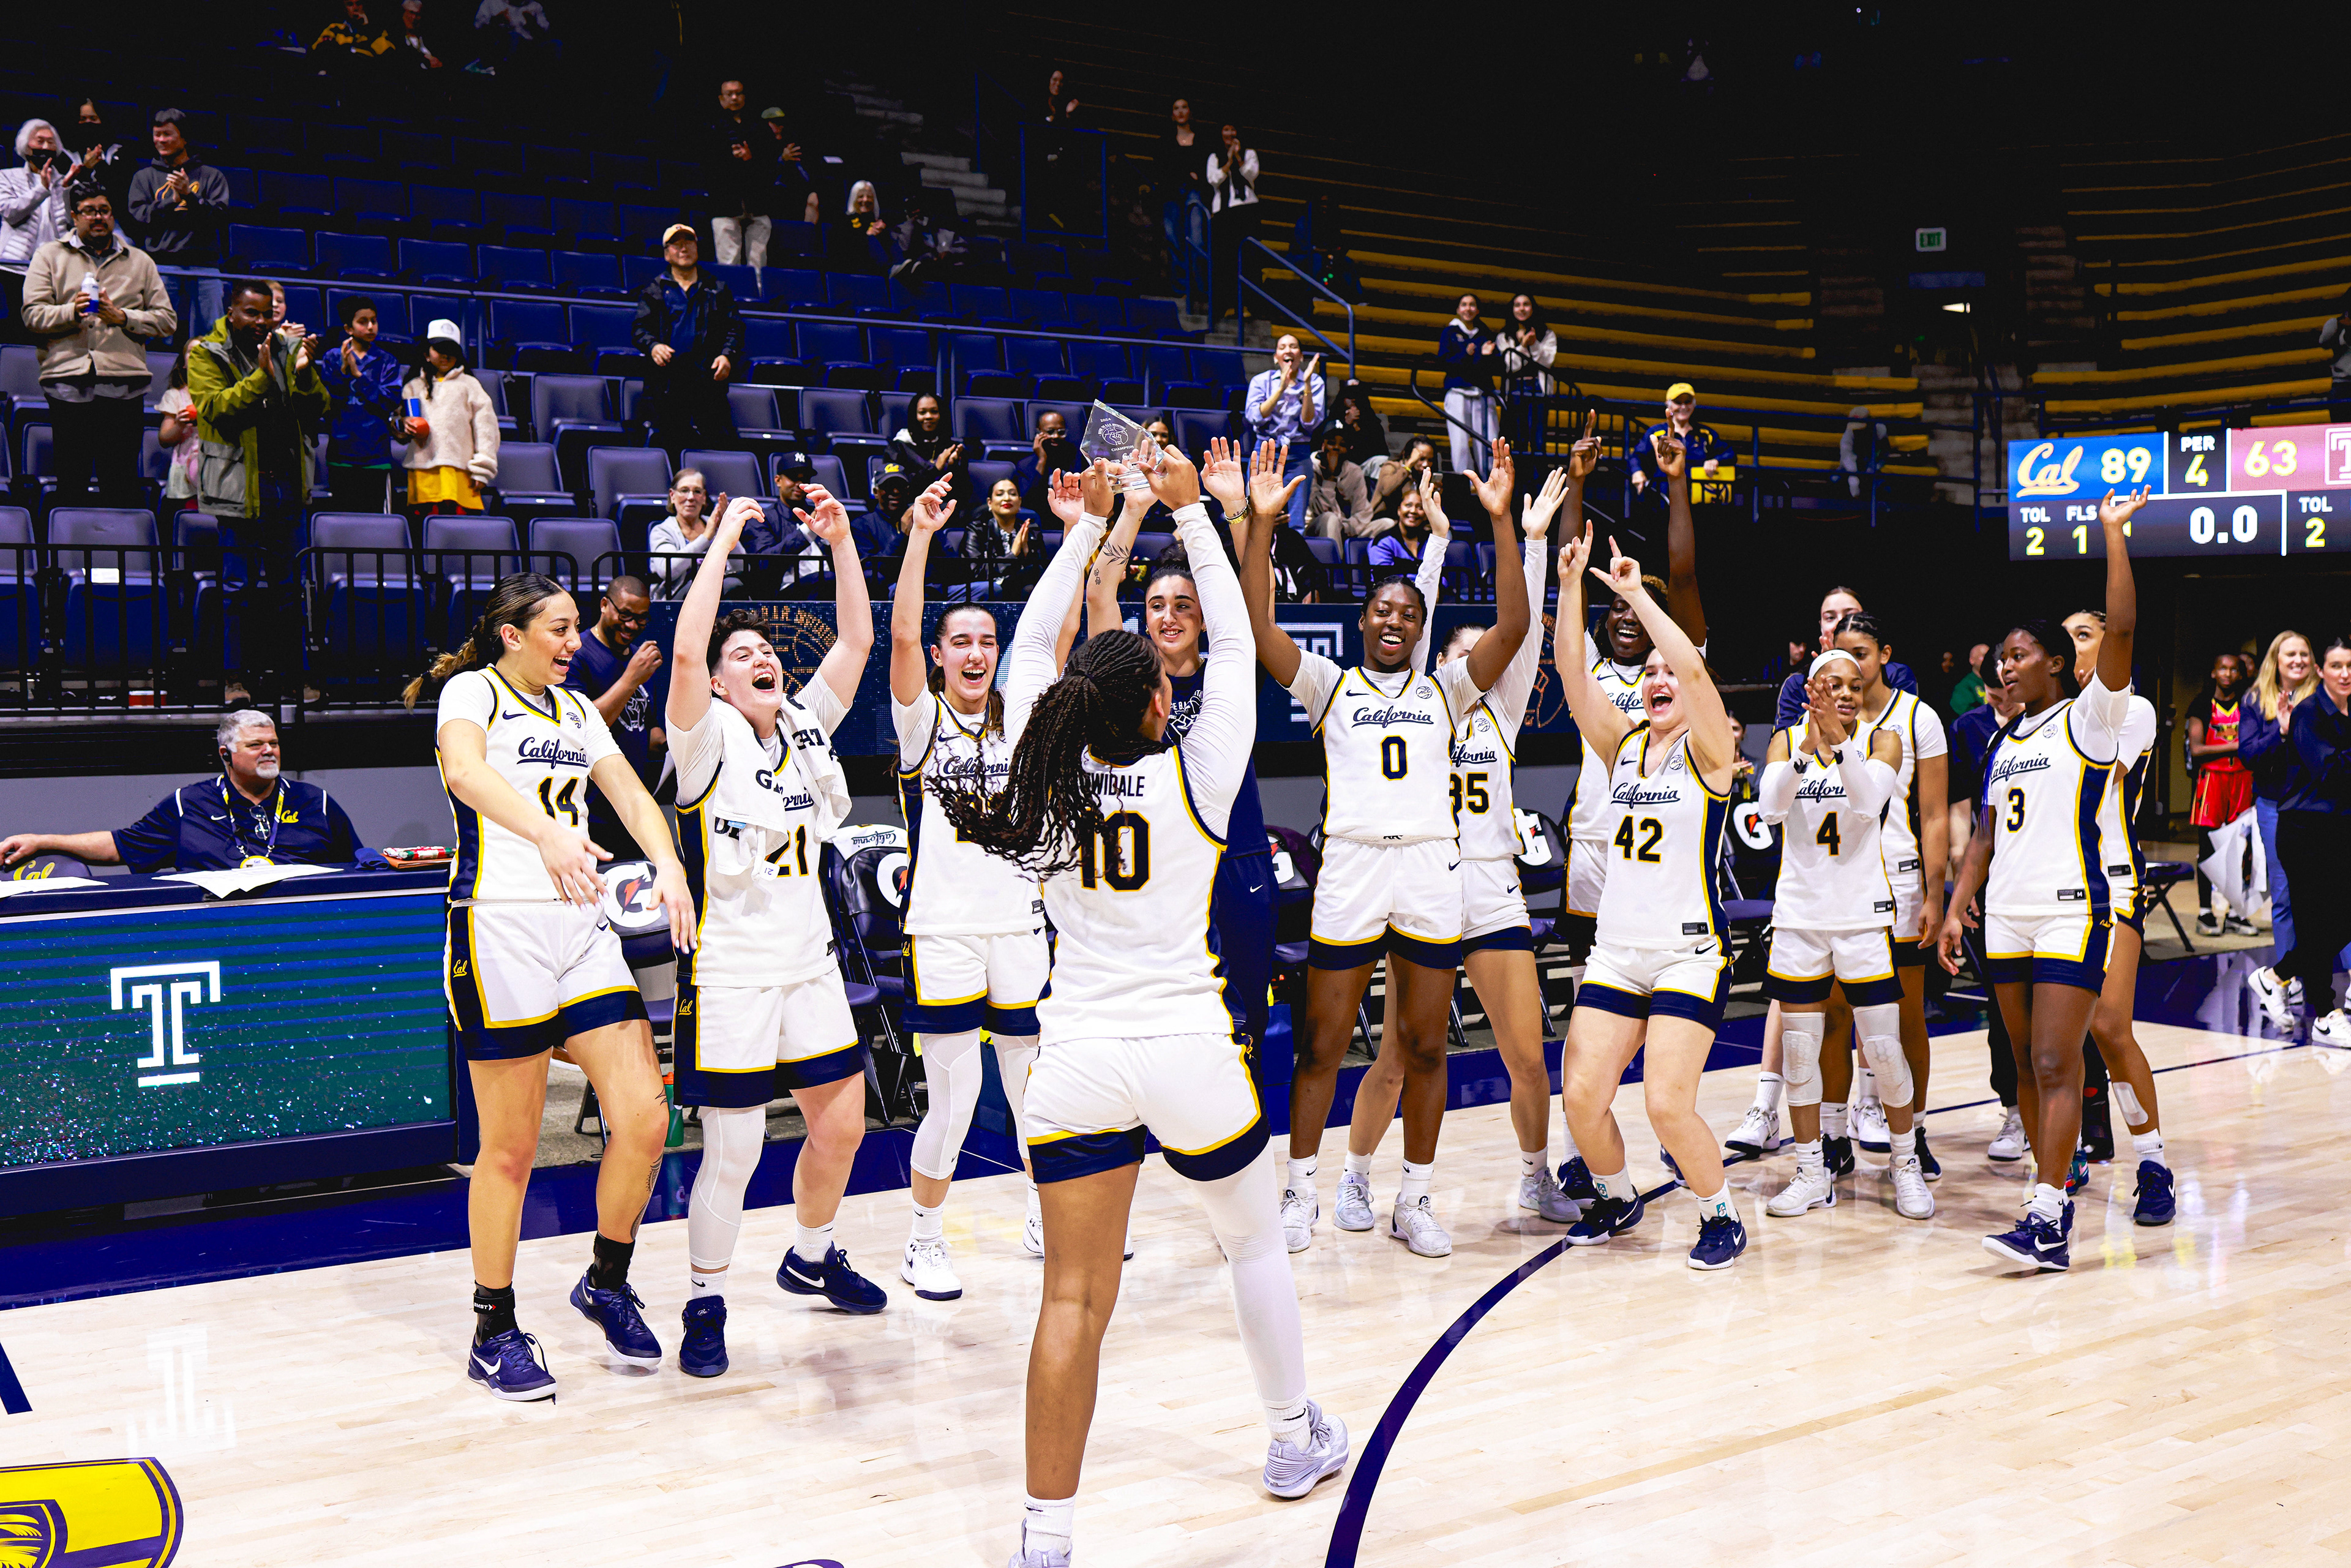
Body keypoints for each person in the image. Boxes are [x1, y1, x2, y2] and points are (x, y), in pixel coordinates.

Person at [932, 438, 1346, 1566]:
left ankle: (1046, 1536)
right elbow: (1236, 641)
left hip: (1075, 1057)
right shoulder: (1198, 770)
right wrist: (1195, 512)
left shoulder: (1047, 769)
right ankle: (1291, 1437)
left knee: (1072, 1299)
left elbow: (1029, 647)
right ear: (1163, 701)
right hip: (1187, 1046)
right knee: (1252, 1247)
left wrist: (1083, 527)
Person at [405, 574, 693, 1399]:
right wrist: (545, 834)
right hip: (499, 926)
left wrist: (670, 865)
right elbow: (466, 774)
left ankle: (606, 1278)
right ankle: (493, 1327)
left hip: (581, 926)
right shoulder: (473, 692)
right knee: (512, 1148)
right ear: (513, 634)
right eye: (560, 629)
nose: (575, 643)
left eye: (575, 629)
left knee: (647, 1116)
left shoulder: (574, 710)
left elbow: (629, 791)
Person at [1252, 437, 1529, 1259]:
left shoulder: (1449, 689)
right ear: (1363, 619)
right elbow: (1258, 626)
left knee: (1427, 1044)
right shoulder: (1329, 683)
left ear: (1418, 626)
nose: (1395, 621)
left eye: (1409, 614)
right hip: (1353, 866)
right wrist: (1260, 525)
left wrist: (1501, 520)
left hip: (1430, 868)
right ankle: (1300, 1190)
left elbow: (1515, 626)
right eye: (1383, 610)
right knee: (1323, 1045)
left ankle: (1414, 1198)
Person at [667, 489, 886, 1377]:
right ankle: (704, 1301)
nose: (761, 657)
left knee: (844, 1124)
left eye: (767, 651)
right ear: (720, 683)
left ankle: (811, 1255)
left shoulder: (802, 723)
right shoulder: (702, 736)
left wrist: (841, 542)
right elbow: (687, 647)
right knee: (737, 1149)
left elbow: (858, 642)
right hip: (734, 970)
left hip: (809, 964)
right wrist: (721, 539)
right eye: (742, 654)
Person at [1345, 459, 1585, 1231]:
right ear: (1442, 658)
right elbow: (1416, 626)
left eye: (1490, 654)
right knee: (1396, 1056)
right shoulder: (1420, 699)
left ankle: (1534, 1176)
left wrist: (1533, 540)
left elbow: (1525, 629)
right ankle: (1355, 1178)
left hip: (1490, 886)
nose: (1483, 662)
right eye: (1466, 651)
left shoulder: (1500, 717)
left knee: (1527, 1054)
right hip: (1423, 880)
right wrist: (1443, 542)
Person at [1939, 486, 2150, 1275]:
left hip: (2072, 911)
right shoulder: (2003, 740)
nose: (2005, 664)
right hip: (2006, 916)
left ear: (2056, 662)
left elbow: (2121, 627)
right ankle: (2045, 1190)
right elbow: (1986, 835)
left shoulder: (2090, 717)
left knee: (2060, 1063)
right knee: (2027, 1064)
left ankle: (2051, 1215)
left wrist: (2112, 535)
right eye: (2001, 656)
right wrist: (1958, 908)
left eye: (2020, 653)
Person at [1552, 521, 1747, 1269]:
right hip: (1619, 951)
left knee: (1666, 1101)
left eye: (1671, 671)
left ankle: (1719, 1211)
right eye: (1651, 672)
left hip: (1688, 953)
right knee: (1581, 1095)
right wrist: (1570, 585)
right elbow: (1572, 673)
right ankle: (1616, 1195)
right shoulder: (1624, 745)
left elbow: (1694, 670)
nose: (1661, 678)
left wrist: (1638, 596)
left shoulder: (1711, 752)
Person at [1085, 438, 1279, 1136]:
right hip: (1164, 871)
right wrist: (1133, 510)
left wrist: (1238, 515)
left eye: (1184, 605)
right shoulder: (1123, 683)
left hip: (1239, 864)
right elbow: (1098, 592)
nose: (1168, 615)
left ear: (1203, 617)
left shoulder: (1232, 672)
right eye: (1157, 604)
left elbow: (1248, 604)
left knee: (1244, 1021)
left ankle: (1241, 1141)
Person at [888, 475, 1052, 1297]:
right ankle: (923, 1239)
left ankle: (1043, 1215)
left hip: (1020, 925)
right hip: (945, 930)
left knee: (1033, 1089)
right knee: (954, 1096)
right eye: (961, 641)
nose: (976, 653)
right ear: (942, 654)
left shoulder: (1021, 720)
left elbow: (1057, 634)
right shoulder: (922, 722)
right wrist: (920, 535)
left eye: (988, 640)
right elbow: (900, 636)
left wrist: (1088, 532)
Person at [1730, 605, 1940, 1168]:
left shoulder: (1885, 739)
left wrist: (1841, 742)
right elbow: (1769, 810)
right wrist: (1808, 745)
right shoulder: (1785, 742)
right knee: (1806, 1045)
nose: (1846, 693)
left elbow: (1869, 803)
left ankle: (1905, 1160)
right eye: (1834, 685)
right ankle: (1818, 1157)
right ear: (1812, 690)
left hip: (1863, 914)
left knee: (1884, 1046)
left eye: (1854, 684)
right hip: (1803, 914)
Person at [1556, 424, 1705, 958]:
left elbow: (1683, 577)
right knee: (1589, 977)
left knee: (1655, 967)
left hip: (1665, 837)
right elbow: (1570, 570)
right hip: (1595, 840)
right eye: (1617, 606)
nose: (1626, 616)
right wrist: (1576, 483)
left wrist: (1678, 483)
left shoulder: (1675, 671)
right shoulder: (1590, 668)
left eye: (1638, 608)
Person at [2060, 606, 2176, 1225]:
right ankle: (2067, 1151)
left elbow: (2099, 778)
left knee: (2108, 1025)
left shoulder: (2133, 709)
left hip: (2112, 878)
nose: (2074, 646)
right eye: (2067, 638)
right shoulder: (2047, 716)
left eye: (2085, 634)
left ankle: (2153, 1164)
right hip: (2052, 886)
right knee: (2055, 1038)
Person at [189, 279, 329, 705]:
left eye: (267, 314)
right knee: (237, 591)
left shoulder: (283, 348)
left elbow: (317, 407)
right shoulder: (206, 353)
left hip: (287, 485)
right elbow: (217, 409)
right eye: (251, 313)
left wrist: (304, 372)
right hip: (240, 487)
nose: (261, 321)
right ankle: (235, 680)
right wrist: (264, 375)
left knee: (290, 591)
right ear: (231, 311)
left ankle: (293, 678)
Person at [1, 711, 356, 874]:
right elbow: (121, 846)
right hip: (216, 927)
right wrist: (42, 841)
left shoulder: (316, 802)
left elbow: (359, 863)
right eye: (256, 745)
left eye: (274, 744)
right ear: (226, 755)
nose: (269, 752)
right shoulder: (189, 804)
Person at [20, 182, 174, 512]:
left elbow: (167, 321)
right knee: (72, 482)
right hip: (68, 382)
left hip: (124, 384)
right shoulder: (49, 255)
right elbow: (32, 315)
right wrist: (70, 312)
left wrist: (123, 317)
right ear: (74, 216)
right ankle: (71, 546)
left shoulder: (140, 261)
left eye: (104, 210)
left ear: (113, 215)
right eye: (89, 211)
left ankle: (119, 547)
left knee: (121, 485)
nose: (98, 217)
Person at [2248, 634, 2351, 1049]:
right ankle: (2325, 1014)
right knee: (2312, 919)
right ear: (2322, 671)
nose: (2345, 673)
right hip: (2305, 830)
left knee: (2335, 921)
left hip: (2339, 830)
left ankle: (2275, 976)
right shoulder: (2309, 713)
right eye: (2338, 666)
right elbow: (2330, 772)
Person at [2241, 632, 2329, 987]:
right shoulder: (2254, 699)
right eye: (2290, 654)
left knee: (2331, 891)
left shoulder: (2328, 697)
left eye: (2304, 654)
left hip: (2322, 806)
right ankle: (2284, 981)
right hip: (2275, 806)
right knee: (2284, 893)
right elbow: (2248, 755)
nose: (2298, 660)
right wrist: (2280, 731)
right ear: (2276, 661)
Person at [561, 576, 665, 866]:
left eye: (641, 619)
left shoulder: (640, 661)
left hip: (631, 809)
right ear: (605, 605)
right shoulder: (577, 655)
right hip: (590, 810)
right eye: (625, 614)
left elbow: (646, 728)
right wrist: (631, 679)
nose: (632, 625)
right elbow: (579, 728)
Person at [631, 223, 742, 461]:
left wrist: (727, 355)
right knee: (672, 449)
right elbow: (640, 329)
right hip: (668, 386)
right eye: (677, 244)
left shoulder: (718, 289)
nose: (684, 249)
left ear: (697, 248)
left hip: (709, 384)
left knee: (716, 449)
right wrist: (653, 346)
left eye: (689, 242)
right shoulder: (654, 290)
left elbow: (734, 329)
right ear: (666, 254)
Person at [126, 110, 230, 340]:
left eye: (167, 134)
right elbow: (138, 219)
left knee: (212, 335)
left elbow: (219, 218)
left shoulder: (211, 176)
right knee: (155, 334)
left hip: (204, 264)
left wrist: (189, 197)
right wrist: (171, 201)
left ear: (184, 138)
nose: (161, 140)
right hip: (161, 264)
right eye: (157, 135)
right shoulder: (144, 178)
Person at [394, 318, 498, 523]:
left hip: (461, 474)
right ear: (426, 354)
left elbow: (486, 429)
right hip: (423, 473)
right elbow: (401, 427)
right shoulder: (413, 387)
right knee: (425, 527)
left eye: (451, 350)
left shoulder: (470, 385)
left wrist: (482, 469)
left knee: (459, 529)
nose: (446, 355)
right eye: (439, 349)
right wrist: (403, 425)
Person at [1772, 587, 1921, 727]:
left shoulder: (1896, 674)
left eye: (1850, 616)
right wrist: (1824, 673)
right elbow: (1784, 739)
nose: (1840, 623)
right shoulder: (1797, 683)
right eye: (1830, 618)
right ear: (1821, 625)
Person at [2184, 651, 2257, 936]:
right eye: (2222, 668)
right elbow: (2197, 749)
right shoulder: (2201, 704)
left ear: (2241, 674)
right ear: (2214, 672)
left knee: (2243, 849)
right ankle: (2206, 911)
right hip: (2212, 781)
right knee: (2208, 848)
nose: (2228, 674)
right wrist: (2239, 746)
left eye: (2234, 669)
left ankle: (2237, 913)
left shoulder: (2249, 704)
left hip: (2242, 780)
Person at [320, 295, 405, 513]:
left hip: (375, 454)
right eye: (363, 322)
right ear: (348, 328)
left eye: (373, 321)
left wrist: (358, 375)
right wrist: (343, 372)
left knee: (373, 519)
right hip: (341, 452)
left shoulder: (387, 361)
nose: (370, 327)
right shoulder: (332, 358)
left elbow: (390, 401)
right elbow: (328, 403)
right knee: (343, 517)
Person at [1243, 335, 1321, 532]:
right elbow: (1254, 416)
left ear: (1301, 356)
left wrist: (1307, 385)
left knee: (1296, 520)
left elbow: (1310, 423)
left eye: (1293, 347)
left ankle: (1292, 552)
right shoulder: (1261, 381)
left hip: (1299, 455)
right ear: (1276, 357)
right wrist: (1280, 390)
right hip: (1265, 451)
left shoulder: (1314, 381)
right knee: (1257, 513)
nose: (1288, 351)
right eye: (1283, 347)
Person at [2, 121, 73, 337]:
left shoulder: (65, 181)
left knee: (51, 328)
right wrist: (42, 189)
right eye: (39, 141)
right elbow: (10, 212)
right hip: (16, 266)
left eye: (50, 142)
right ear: (26, 146)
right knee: (18, 328)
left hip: (55, 268)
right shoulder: (7, 176)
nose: (45, 147)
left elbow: (72, 222)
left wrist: (68, 189)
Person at [706, 79, 773, 268]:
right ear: (721, 99)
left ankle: (757, 288)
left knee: (759, 263)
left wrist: (750, 158)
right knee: (729, 261)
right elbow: (708, 163)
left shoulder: (759, 127)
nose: (735, 98)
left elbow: (769, 162)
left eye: (739, 93)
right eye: (729, 94)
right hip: (725, 203)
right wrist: (730, 157)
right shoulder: (711, 126)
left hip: (757, 202)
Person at [648, 470, 743, 599]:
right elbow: (667, 571)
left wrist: (727, 531)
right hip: (676, 597)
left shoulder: (715, 525)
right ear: (672, 496)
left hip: (721, 590)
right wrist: (706, 537)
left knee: (734, 585)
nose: (691, 497)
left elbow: (742, 567)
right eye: (684, 491)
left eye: (697, 491)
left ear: (704, 498)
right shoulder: (662, 531)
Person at [1630, 383, 1727, 506]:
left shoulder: (1706, 434)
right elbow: (1637, 456)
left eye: (1687, 402)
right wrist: (1637, 472)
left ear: (1694, 404)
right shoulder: (1656, 433)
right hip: (1663, 498)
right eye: (1678, 402)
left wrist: (1716, 461)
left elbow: (1729, 454)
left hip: (1698, 500)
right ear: (1668, 404)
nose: (1683, 407)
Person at [1434, 294, 1495, 480]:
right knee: (1460, 443)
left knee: (1488, 443)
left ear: (1478, 310)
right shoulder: (1450, 332)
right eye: (1464, 305)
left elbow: (1494, 365)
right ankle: (1464, 483)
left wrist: (1485, 356)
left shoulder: (1485, 333)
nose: (1468, 309)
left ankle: (1492, 482)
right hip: (1457, 392)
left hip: (1482, 393)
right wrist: (1466, 355)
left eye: (1472, 305)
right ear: (1458, 309)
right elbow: (1445, 363)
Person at [1205, 122, 1258, 329]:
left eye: (1233, 130)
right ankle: (1226, 304)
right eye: (1226, 130)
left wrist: (1238, 158)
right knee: (1225, 260)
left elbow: (1251, 174)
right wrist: (1228, 161)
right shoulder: (1214, 156)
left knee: (1246, 259)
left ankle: (1245, 304)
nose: (1230, 133)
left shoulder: (1249, 153)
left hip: (1246, 209)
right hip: (1223, 211)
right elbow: (1214, 179)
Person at [1493, 293, 1558, 454]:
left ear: (1533, 308)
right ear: (1512, 309)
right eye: (1517, 305)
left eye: (1526, 304)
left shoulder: (1547, 334)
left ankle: (1539, 471)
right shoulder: (1504, 336)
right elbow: (1511, 365)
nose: (1522, 309)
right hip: (1515, 388)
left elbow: (1546, 362)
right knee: (1518, 439)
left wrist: (1534, 343)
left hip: (1538, 387)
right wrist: (1523, 345)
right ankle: (1519, 470)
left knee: (1538, 440)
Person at [886, 391, 967, 515]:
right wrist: (936, 469)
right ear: (914, 415)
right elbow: (900, 488)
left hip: (946, 508)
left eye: (934, 412)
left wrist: (953, 467)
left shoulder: (951, 448)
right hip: (910, 508)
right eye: (922, 412)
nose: (928, 416)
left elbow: (963, 493)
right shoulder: (898, 447)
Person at [1157, 97, 1207, 294]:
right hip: (1171, 194)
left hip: (1194, 192)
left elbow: (1205, 169)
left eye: (1184, 107)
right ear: (1172, 114)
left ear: (1190, 112)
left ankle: (1200, 287)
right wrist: (1187, 173)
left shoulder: (1201, 139)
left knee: (1197, 240)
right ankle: (1180, 287)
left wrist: (1192, 175)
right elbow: (1163, 169)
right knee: (1174, 240)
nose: (1180, 111)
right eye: (1176, 108)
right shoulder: (1166, 140)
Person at [1305, 421, 1374, 541]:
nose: (1336, 448)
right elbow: (1320, 511)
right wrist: (1330, 478)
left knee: (1386, 524)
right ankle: (1335, 554)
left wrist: (1345, 527)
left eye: (1342, 444)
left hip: (1346, 527)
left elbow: (1363, 512)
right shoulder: (1311, 468)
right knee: (1331, 519)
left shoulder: (1354, 471)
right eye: (1332, 443)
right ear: (1323, 445)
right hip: (1315, 527)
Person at [154, 345, 198, 509]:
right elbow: (165, 439)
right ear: (184, 364)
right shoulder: (175, 396)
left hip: (213, 473)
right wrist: (179, 425)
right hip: (184, 477)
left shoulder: (223, 397)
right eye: (192, 352)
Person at [1368, 470, 1438, 568]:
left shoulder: (1431, 542)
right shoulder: (1383, 541)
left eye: (1420, 507)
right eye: (1408, 505)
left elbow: (1440, 574)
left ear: (1426, 514)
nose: (1413, 511)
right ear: (1399, 510)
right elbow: (1384, 576)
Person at [2322, 295, 2351, 424]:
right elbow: (2323, 342)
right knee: (2340, 424)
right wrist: (2339, 327)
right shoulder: (2336, 323)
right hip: (2341, 383)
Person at [1949, 642, 1991, 716]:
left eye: (1990, 655)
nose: (1989, 658)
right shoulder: (1964, 686)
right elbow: (1965, 713)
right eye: (1984, 655)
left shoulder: (1998, 680)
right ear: (1972, 660)